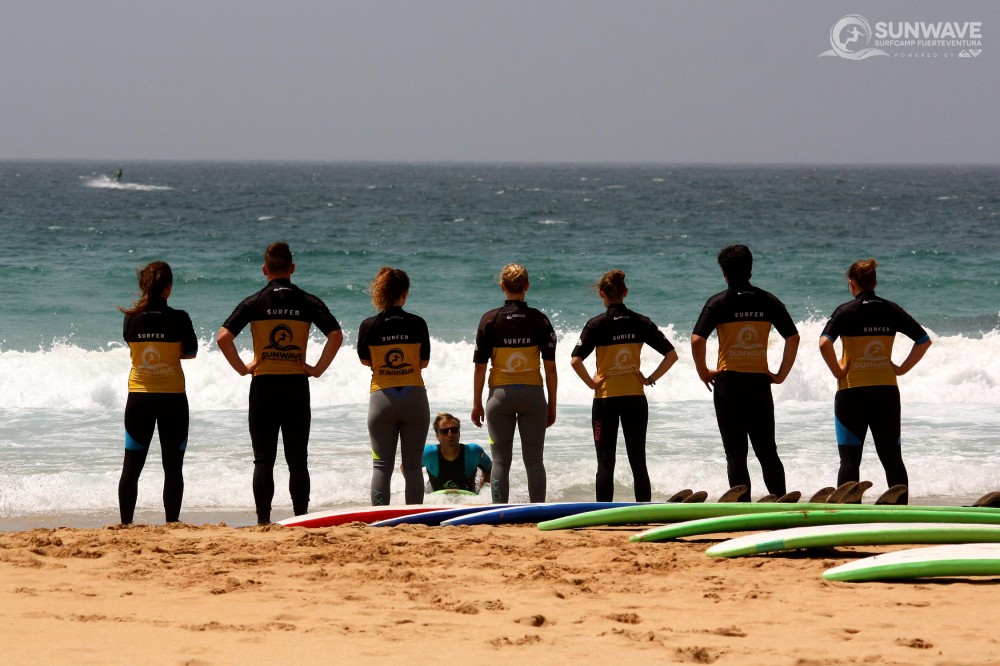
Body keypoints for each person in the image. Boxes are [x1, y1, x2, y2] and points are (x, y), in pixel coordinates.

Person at [216, 242, 343, 525]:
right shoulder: (309, 302)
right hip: (297, 386)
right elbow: (336, 335)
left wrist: (242, 368)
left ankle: (263, 521)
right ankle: (300, 518)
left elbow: (223, 338)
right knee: (297, 460)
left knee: (264, 460)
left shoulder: (254, 301)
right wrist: (317, 369)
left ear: (265, 270)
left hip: (264, 387)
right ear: (292, 269)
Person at [691, 245, 799, 502]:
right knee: (767, 451)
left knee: (735, 454)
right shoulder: (768, 300)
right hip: (759, 384)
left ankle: (743, 506)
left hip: (729, 384)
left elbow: (697, 340)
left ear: (725, 273)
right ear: (750, 269)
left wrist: (703, 372)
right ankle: (779, 501)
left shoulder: (717, 302)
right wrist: (781, 374)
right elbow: (793, 338)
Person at [819, 258, 931, 503]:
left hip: (852, 393)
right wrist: (901, 369)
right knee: (892, 458)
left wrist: (837, 372)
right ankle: (900, 513)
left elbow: (824, 342)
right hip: (885, 393)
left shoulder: (846, 311)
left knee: (849, 460)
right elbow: (924, 341)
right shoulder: (891, 310)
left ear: (852, 284)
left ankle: (847, 515)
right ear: (875, 282)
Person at [571, 270, 678, 502]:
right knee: (638, 460)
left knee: (605, 462)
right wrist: (649, 379)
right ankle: (644, 511)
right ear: (625, 292)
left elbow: (575, 360)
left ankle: (604, 513)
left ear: (602, 294)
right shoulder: (641, 322)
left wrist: (592, 383)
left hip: (605, 401)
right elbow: (671, 355)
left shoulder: (596, 324)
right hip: (634, 400)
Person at [118, 261, 197, 525]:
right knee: (173, 468)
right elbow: (191, 352)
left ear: (144, 285)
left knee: (131, 466)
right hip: (173, 398)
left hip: (139, 398)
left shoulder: (130, 318)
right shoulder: (180, 318)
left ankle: (126, 524)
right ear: (169, 288)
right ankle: (172, 523)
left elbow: (132, 345)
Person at [471, 263, 557, 503]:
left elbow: (480, 367)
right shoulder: (540, 320)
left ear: (502, 287)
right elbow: (550, 368)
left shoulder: (489, 320)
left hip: (500, 396)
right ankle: (538, 509)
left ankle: (500, 511)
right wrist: (552, 404)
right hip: (533, 396)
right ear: (526, 287)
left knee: (500, 461)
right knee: (534, 460)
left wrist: (477, 403)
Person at [357, 267, 430, 505]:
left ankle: (379, 519)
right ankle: (415, 518)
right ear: (405, 293)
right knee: (413, 467)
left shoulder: (368, 326)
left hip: (382, 399)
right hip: (414, 399)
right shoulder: (418, 323)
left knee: (381, 467)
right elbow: (424, 362)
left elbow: (365, 360)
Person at [422, 413, 492, 493]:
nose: (450, 434)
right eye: (444, 431)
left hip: (468, 499)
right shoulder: (428, 454)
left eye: (454, 430)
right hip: (436, 500)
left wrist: (482, 490)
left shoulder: (473, 452)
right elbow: (408, 468)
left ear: (459, 433)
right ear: (437, 436)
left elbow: (490, 470)